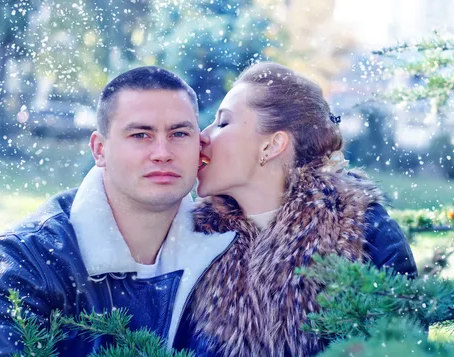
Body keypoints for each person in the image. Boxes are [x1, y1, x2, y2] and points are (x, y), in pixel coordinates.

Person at [0, 66, 236, 356]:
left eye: (179, 133)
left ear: (199, 146)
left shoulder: (230, 257)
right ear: (99, 150)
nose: (162, 152)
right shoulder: (21, 265)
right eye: (141, 135)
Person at [174, 62, 418, 357]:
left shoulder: (365, 232)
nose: (203, 136)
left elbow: (403, 346)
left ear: (272, 145)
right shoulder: (193, 240)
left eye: (223, 123)